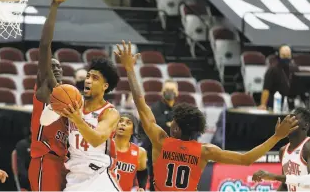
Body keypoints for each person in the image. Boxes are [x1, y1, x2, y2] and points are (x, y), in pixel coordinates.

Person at [115, 40, 299, 191]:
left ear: (177, 128)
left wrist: (130, 69)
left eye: (174, 122)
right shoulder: (205, 151)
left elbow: (140, 104)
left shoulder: (161, 140)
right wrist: (277, 136)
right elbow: (247, 159)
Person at [28, 0, 73, 192]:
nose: (55, 67)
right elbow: (45, 46)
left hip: (66, 164)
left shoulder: (68, 96)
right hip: (45, 160)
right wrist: (54, 5)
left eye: (58, 66)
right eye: (51, 65)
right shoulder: (45, 89)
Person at [54, 57, 120, 191]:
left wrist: (78, 120)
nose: (88, 80)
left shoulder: (109, 113)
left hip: (99, 174)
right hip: (74, 175)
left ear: (105, 86)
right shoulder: (73, 103)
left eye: (95, 78)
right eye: (88, 76)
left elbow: (96, 140)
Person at [252, 107, 310, 191]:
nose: (288, 121)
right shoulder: (283, 150)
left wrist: (274, 176)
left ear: (305, 125)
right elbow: (285, 185)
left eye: (293, 118)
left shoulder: (308, 146)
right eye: (288, 118)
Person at [139, 80, 178, 190]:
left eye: (172, 90)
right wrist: (170, 125)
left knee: (172, 179)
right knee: (155, 178)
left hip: (174, 150)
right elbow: (158, 126)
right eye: (167, 90)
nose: (169, 92)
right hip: (156, 149)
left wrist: (168, 125)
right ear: (162, 92)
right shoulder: (156, 108)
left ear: (177, 92)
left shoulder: (179, 109)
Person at [259, 45, 299, 110]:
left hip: (291, 105)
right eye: (283, 56)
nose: (286, 58)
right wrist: (263, 104)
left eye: (288, 56)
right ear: (278, 56)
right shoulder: (272, 70)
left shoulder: (295, 69)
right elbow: (266, 89)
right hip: (274, 105)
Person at [115, 112, 147, 191]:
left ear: (132, 130)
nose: (123, 124)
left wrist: (142, 188)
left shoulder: (140, 152)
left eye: (128, 122)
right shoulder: (105, 145)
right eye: (120, 121)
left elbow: (142, 173)